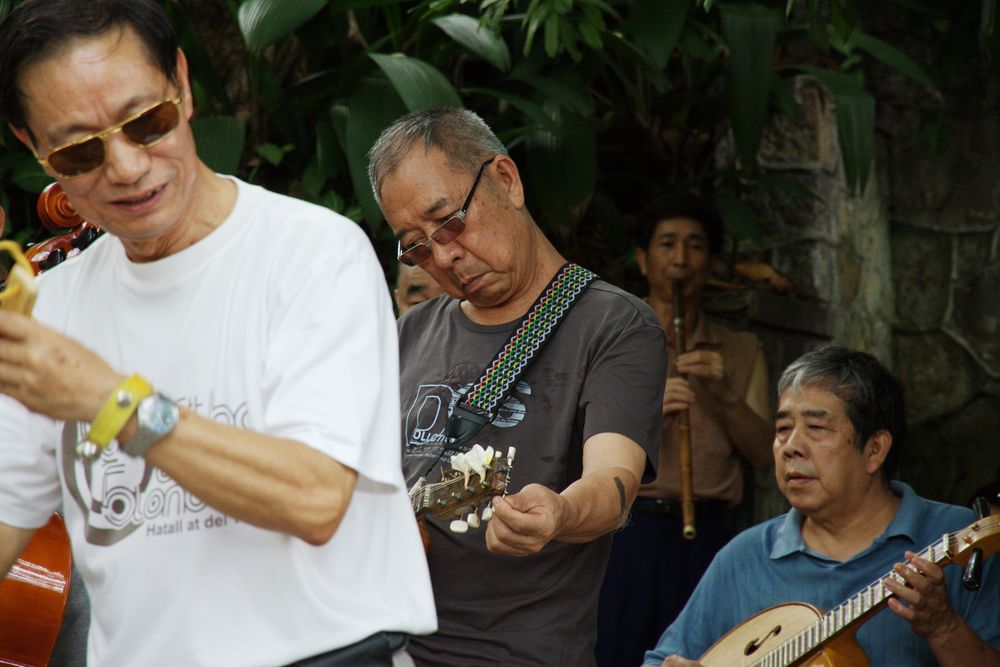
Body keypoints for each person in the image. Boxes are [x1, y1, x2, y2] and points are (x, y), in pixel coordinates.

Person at [0, 2, 435, 665]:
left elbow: (314, 497)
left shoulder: (315, 254)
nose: (124, 167)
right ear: (31, 147)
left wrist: (110, 400)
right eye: (80, 150)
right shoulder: (50, 306)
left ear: (182, 83)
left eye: (147, 122)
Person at [367, 107, 667, 666]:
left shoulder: (613, 325)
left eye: (450, 222)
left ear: (506, 180)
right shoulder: (408, 334)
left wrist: (560, 512)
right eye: (416, 247)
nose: (445, 256)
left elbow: (612, 480)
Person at [644, 346, 1000, 667]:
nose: (790, 447)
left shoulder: (956, 538)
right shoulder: (745, 557)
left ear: (875, 449)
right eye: (783, 428)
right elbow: (663, 660)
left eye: (816, 428)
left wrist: (943, 628)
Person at [596, 192, 774, 667]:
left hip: (712, 536)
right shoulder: (611, 344)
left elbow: (765, 455)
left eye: (695, 246)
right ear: (642, 258)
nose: (680, 258)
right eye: (667, 244)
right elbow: (574, 447)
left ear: (712, 261)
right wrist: (647, 416)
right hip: (628, 533)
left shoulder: (740, 349)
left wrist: (726, 395)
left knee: (706, 657)